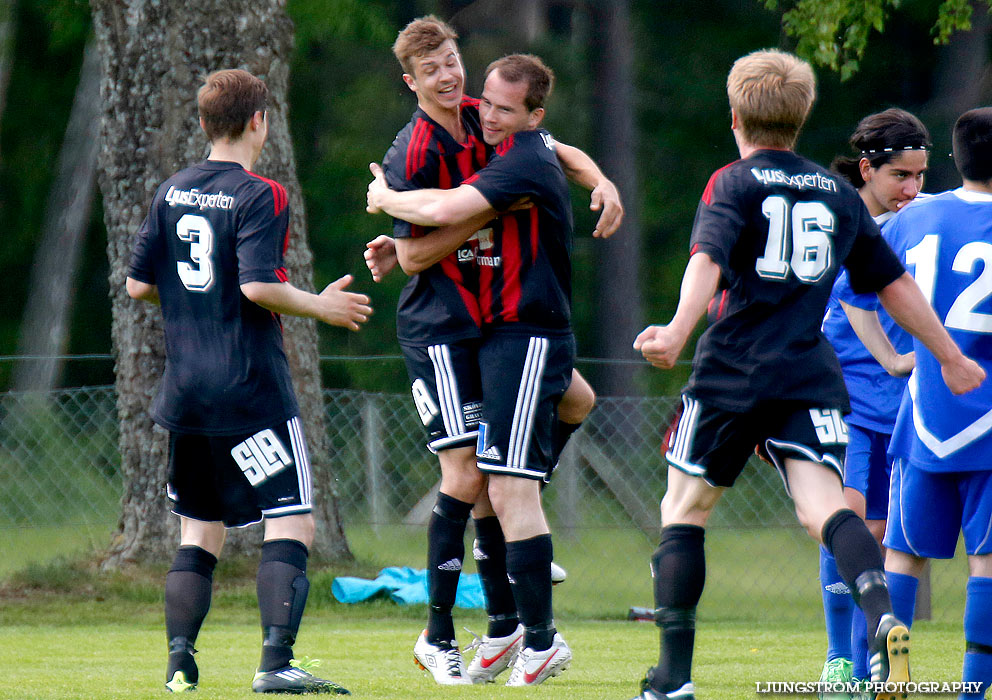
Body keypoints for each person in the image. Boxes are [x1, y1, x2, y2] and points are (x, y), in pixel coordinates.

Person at [630, 49, 984, 700]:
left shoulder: (732, 182)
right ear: (801, 117)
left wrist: (678, 330)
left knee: (684, 509)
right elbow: (894, 285)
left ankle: (672, 678)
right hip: (810, 371)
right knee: (824, 508)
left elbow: (707, 258)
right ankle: (881, 621)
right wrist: (952, 356)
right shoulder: (834, 193)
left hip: (731, 367)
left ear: (735, 116)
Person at [370, 16, 620, 686]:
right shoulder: (412, 151)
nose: (450, 77)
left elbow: (553, 147)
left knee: (559, 417)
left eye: (453, 61)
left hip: (502, 324)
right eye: (433, 70)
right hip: (445, 328)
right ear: (411, 82)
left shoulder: (493, 118)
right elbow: (416, 252)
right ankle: (442, 633)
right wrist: (471, 209)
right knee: (473, 480)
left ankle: (510, 616)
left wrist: (602, 179)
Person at [125, 69, 371, 695]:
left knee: (199, 529)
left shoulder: (172, 190)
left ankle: (180, 666)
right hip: (248, 391)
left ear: (204, 124)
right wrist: (322, 306)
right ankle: (276, 663)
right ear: (260, 121)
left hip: (186, 394)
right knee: (290, 519)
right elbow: (258, 285)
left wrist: (191, 298)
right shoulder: (261, 193)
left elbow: (138, 284)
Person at [817, 109, 930, 697]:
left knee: (886, 537)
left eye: (920, 175)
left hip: (903, 405)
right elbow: (852, 302)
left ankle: (869, 667)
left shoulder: (923, 220)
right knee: (851, 521)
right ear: (868, 168)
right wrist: (890, 359)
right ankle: (843, 662)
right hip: (847, 397)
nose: (912, 189)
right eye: (900, 177)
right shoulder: (842, 218)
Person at [881, 107, 992, 700]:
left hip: (924, 414)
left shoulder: (915, 217)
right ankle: (973, 690)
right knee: (988, 562)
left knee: (902, 556)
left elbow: (855, 288)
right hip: (990, 414)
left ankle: (888, 679)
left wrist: (894, 358)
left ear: (954, 156)